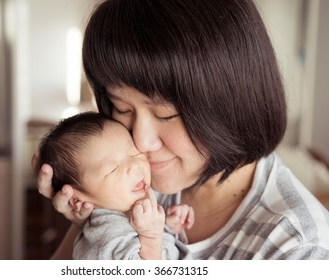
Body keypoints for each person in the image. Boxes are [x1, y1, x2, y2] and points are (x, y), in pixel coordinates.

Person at [33, 0, 329, 259]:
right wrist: (94, 219)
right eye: (122, 109)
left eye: (165, 113)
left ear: (232, 100)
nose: (141, 141)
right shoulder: (140, 182)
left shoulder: (298, 249)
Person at [36, 111, 193, 259]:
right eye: (112, 169)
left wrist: (170, 229)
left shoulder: (126, 212)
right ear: (77, 200)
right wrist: (151, 237)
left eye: (134, 153)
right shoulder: (105, 237)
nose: (134, 166)